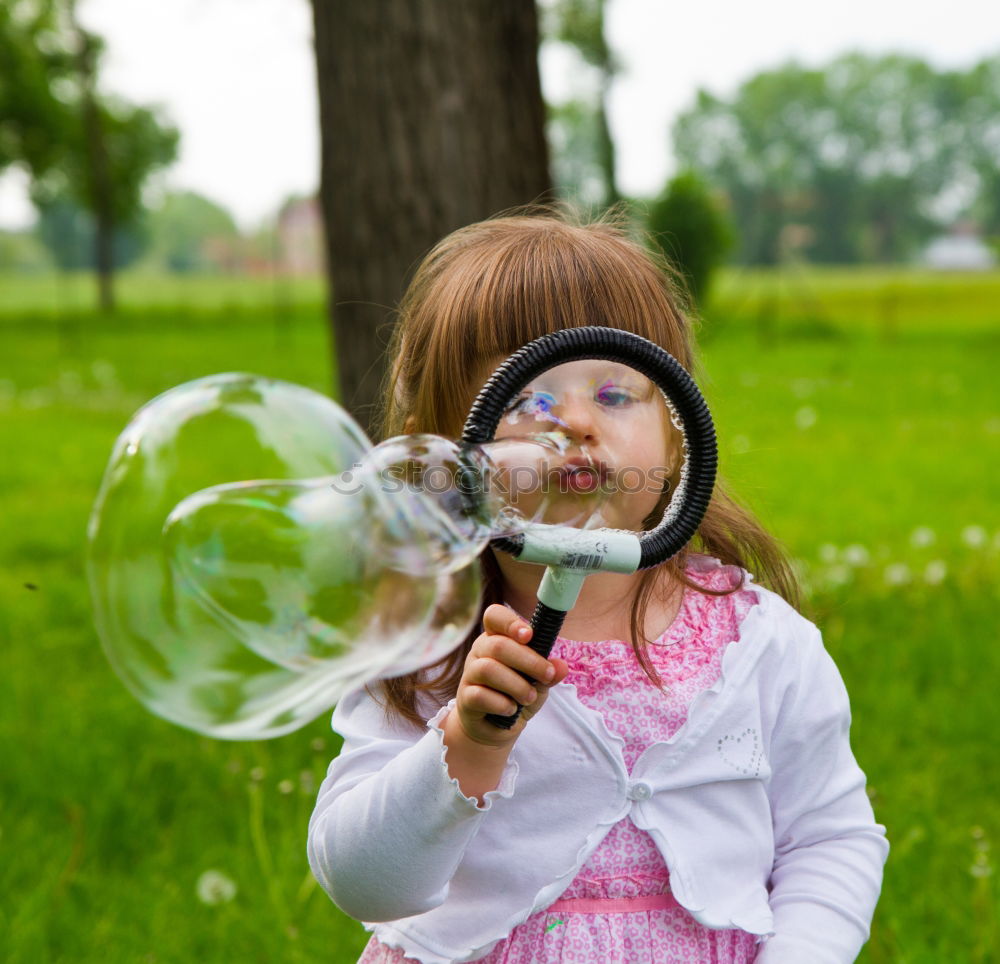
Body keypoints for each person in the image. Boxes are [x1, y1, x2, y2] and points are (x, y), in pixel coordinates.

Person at [307, 210, 888, 964]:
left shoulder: (758, 642)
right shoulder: (426, 644)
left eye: (614, 395)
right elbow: (365, 886)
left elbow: (829, 838)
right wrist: (464, 747)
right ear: (446, 459)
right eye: (526, 400)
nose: (576, 422)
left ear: (679, 432)